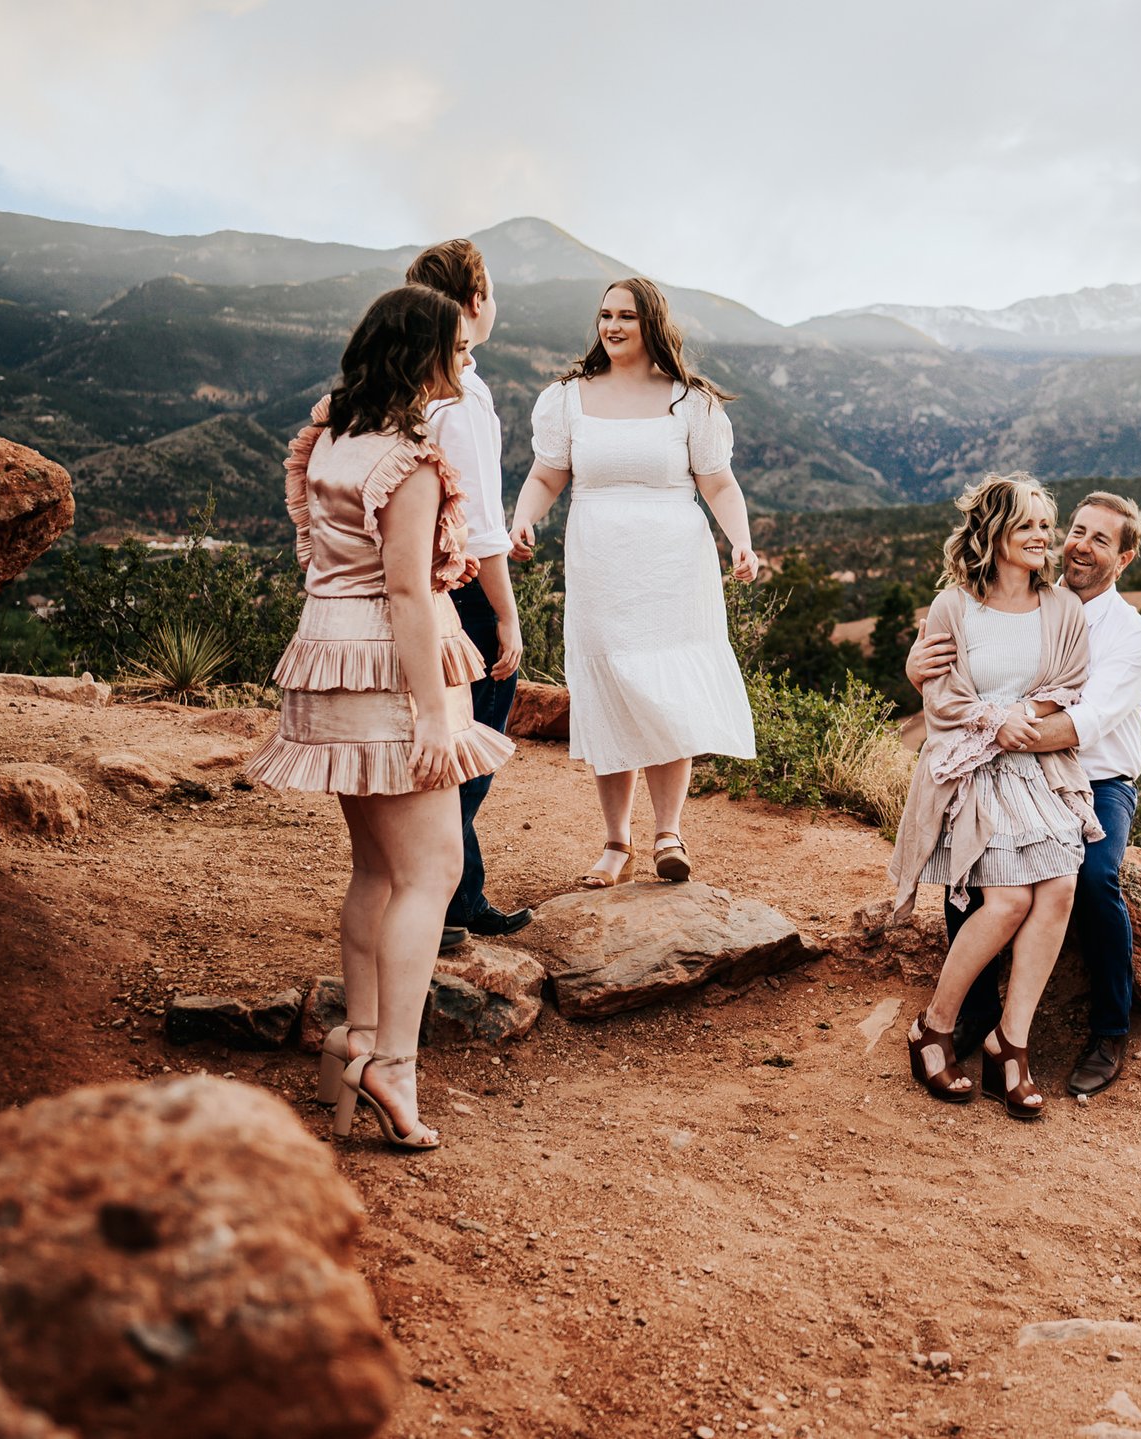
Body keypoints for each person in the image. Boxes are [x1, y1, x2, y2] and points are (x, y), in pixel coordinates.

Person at [246, 283, 515, 1150]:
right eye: (456, 346)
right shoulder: (409, 459)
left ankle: (355, 1036)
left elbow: (326, 557)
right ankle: (391, 1063)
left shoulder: (332, 437)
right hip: (388, 671)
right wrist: (434, 718)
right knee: (432, 871)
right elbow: (406, 588)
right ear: (421, 356)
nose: (467, 356)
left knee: (375, 868)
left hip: (328, 658)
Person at [509, 277, 758, 884]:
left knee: (665, 686)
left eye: (626, 316)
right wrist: (522, 519)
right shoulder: (567, 398)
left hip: (674, 564)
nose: (612, 326)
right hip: (601, 561)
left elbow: (718, 483)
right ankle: (615, 842)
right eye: (604, 315)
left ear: (652, 324)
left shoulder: (690, 401)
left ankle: (668, 833)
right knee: (611, 689)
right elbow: (547, 476)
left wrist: (740, 540)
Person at [909, 491, 1141, 1097]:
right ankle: (969, 1017)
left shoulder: (1127, 632)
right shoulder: (1007, 602)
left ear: (1124, 559)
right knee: (982, 873)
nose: (1077, 544)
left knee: (1090, 876)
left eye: (1101, 539)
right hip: (1009, 762)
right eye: (1076, 530)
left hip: (1094, 776)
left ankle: (1108, 1028)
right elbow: (953, 679)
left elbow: (1079, 721)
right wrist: (921, 674)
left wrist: (997, 728)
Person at [405, 239, 529, 954]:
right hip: (465, 593)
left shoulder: (413, 387)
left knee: (449, 740)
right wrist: (507, 613)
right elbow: (480, 525)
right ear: (476, 303)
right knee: (475, 746)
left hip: (420, 587)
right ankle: (449, 898)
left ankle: (463, 892)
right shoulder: (466, 397)